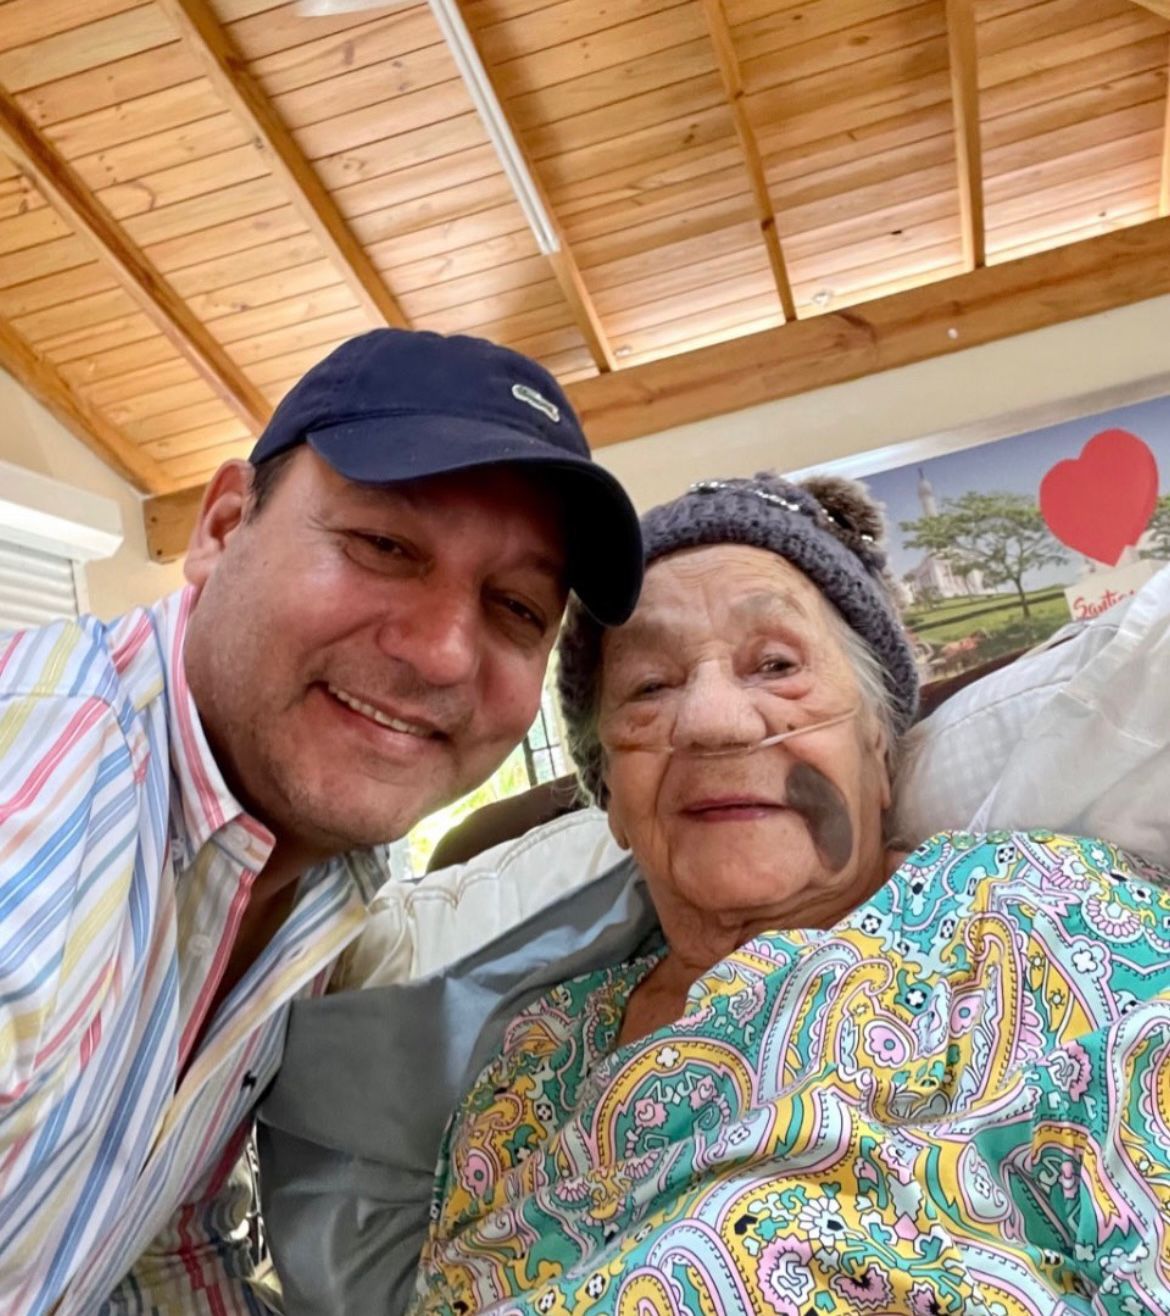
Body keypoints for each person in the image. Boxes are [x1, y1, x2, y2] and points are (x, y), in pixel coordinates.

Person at [260, 472, 1170, 1316]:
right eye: (650, 686)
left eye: (775, 666)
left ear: (880, 747)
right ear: (614, 803)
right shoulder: (533, 1062)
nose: (712, 722)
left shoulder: (1039, 914)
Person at [0, 328, 643, 1315]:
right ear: (222, 526)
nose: (443, 653)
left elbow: (156, 1243)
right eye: (385, 546)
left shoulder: (328, 887)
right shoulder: (48, 775)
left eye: (516, 605)